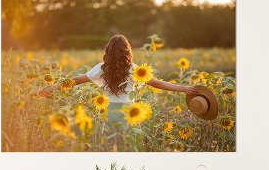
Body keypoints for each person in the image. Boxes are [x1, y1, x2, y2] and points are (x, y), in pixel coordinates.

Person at [39, 34, 198, 122]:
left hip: (107, 112)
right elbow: (156, 83)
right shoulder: (134, 69)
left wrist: (50, 89)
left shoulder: (101, 68)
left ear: (108, 51)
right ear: (127, 51)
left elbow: (74, 80)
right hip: (129, 113)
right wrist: (183, 88)